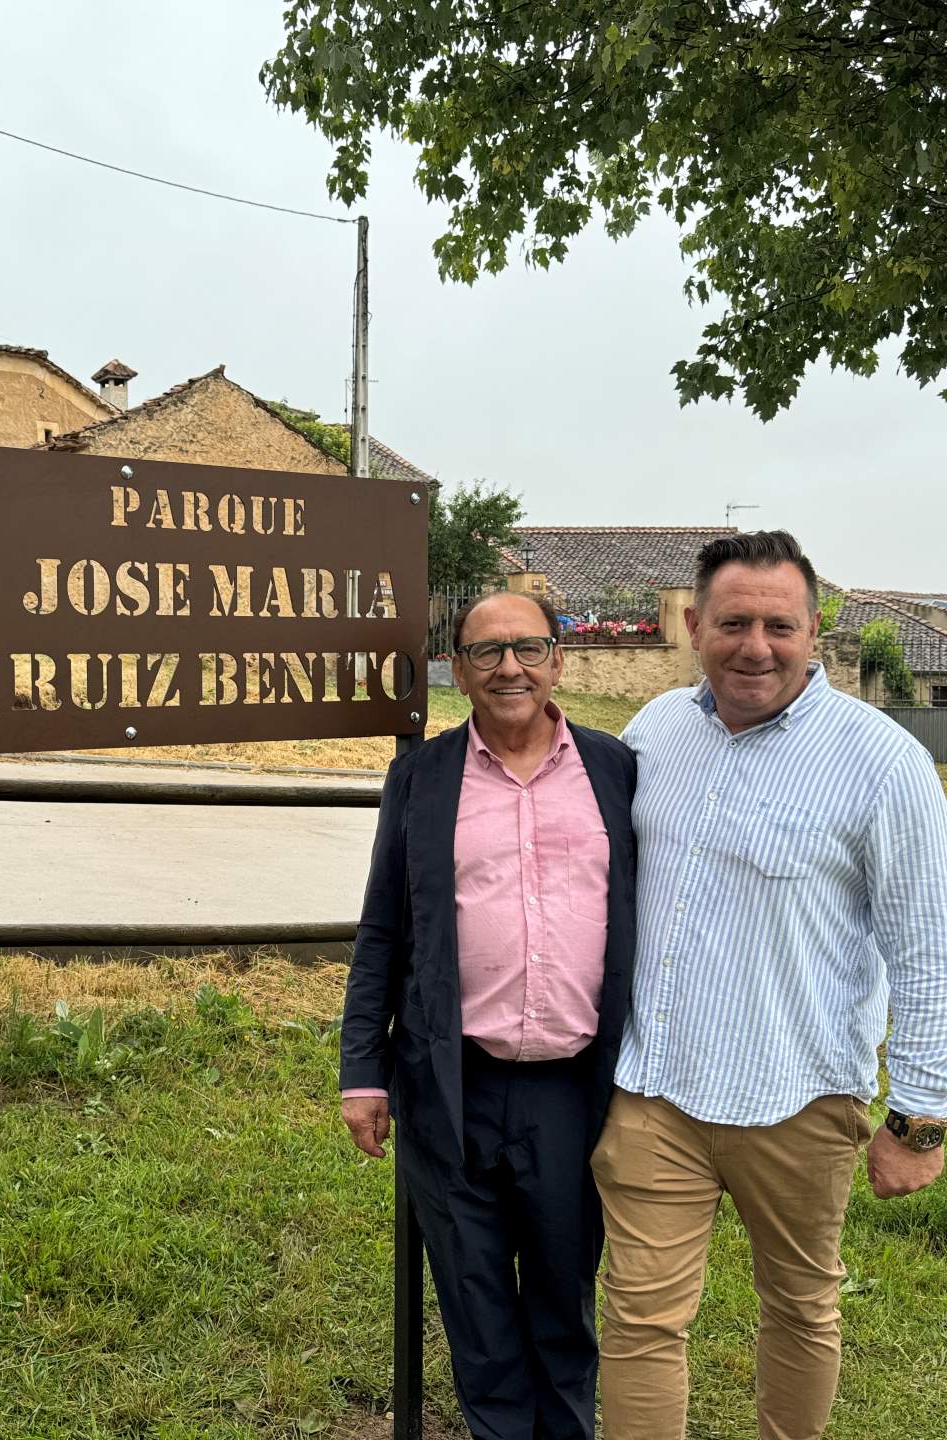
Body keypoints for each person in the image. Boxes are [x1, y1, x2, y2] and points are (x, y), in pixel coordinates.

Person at [596, 531, 947, 1440]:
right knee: (640, 1321)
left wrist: (920, 1116)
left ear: (815, 631)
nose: (754, 646)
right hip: (658, 1091)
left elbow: (929, 942)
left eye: (779, 624)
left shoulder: (883, 764)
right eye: (733, 622)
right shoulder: (653, 733)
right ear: (694, 626)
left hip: (799, 1097)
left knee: (801, 1309)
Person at [341, 590, 638, 1439]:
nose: (510, 667)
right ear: (459, 670)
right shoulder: (422, 777)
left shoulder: (614, 770)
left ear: (559, 660)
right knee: (474, 1308)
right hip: (451, 1082)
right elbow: (384, 928)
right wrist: (363, 1072)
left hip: (575, 1087)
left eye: (529, 648)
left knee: (562, 1299)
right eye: (487, 652)